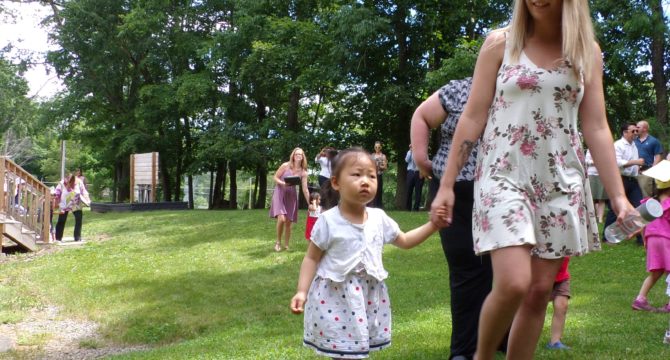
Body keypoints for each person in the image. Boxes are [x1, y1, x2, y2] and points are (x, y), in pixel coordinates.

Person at [429, 1, 636, 359]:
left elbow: (597, 126)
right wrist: (447, 184)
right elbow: (473, 116)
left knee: (539, 291)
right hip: (503, 176)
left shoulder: (587, 51)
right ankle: (481, 356)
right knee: (513, 282)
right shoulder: (500, 44)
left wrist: (618, 197)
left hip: (562, 183)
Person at [289, 147, 444, 359]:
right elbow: (311, 258)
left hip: (367, 297)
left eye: (371, 176)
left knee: (355, 352)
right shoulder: (328, 220)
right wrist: (301, 291)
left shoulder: (379, 218)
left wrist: (433, 226)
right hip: (335, 297)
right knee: (342, 353)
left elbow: (405, 240)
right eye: (356, 174)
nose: (366, 181)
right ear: (336, 183)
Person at [412, 77, 500, 360]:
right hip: (454, 190)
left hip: (501, 191)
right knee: (466, 269)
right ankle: (463, 350)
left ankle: (502, 337)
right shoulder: (461, 88)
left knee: (502, 271)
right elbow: (422, 115)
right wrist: (420, 156)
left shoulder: (524, 87)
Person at [631, 167, 670, 312]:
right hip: (667, 239)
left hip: (652, 238)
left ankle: (640, 299)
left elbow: (641, 224)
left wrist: (645, 241)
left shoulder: (650, 203)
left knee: (656, 272)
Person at [603, 124, 645, 245]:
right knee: (614, 208)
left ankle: (640, 239)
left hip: (633, 179)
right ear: (625, 132)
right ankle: (607, 237)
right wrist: (635, 162)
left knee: (638, 207)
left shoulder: (634, 146)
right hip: (620, 179)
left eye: (637, 130)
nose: (636, 133)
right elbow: (616, 163)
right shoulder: (618, 145)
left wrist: (638, 168)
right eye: (633, 131)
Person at [269, 147, 311, 252]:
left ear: (303, 157)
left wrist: (310, 203)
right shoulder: (285, 165)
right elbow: (275, 177)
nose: (298, 156)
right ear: (293, 155)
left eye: (300, 155)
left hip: (291, 196)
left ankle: (286, 245)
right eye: (296, 154)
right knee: (282, 219)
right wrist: (283, 183)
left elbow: (305, 190)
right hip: (280, 193)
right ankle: (278, 242)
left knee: (288, 222)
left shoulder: (303, 172)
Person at [54, 172, 89, 242]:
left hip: (75, 203)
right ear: (66, 180)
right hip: (64, 203)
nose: (71, 185)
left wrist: (87, 199)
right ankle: (58, 238)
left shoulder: (79, 182)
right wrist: (57, 203)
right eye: (69, 183)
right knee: (61, 220)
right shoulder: (61, 183)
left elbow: (84, 191)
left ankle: (77, 237)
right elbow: (57, 193)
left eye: (72, 183)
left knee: (79, 219)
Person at [546, 257, 571, 350]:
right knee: (533, 308)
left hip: (561, 276)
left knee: (562, 305)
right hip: (540, 275)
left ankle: (555, 342)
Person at [635, 120, 664, 197]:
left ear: (645, 129)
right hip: (633, 171)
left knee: (646, 195)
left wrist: (651, 171)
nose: (636, 128)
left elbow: (658, 157)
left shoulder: (654, 141)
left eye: (638, 127)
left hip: (646, 171)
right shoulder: (633, 141)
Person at [585, 149, 607, 223]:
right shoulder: (590, 149)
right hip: (591, 174)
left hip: (602, 174)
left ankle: (600, 219)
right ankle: (591, 217)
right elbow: (586, 161)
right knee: (592, 198)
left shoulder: (605, 149)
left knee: (602, 198)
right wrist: (595, 162)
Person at [405, 144, 424, 211]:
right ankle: (408, 208)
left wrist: (422, 172)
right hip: (410, 172)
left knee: (418, 191)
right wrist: (410, 151)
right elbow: (407, 160)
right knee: (408, 190)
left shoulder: (422, 151)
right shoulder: (409, 152)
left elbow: (424, 162)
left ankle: (416, 208)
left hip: (419, 172)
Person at [371, 141, 387, 208]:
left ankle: (379, 206)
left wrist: (379, 166)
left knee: (379, 191)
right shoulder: (372, 155)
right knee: (372, 190)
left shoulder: (383, 156)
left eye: (378, 147)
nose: (377, 148)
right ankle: (372, 206)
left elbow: (385, 167)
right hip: (372, 176)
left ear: (381, 147)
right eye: (376, 147)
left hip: (379, 175)